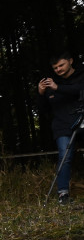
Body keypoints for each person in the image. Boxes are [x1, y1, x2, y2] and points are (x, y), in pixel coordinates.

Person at [37, 51, 84, 205]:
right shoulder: (50, 82)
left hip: (81, 120)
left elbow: (77, 90)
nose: (58, 69)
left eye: (61, 65)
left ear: (70, 61)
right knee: (65, 157)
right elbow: (43, 110)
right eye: (55, 67)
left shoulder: (81, 75)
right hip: (62, 125)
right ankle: (63, 194)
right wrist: (41, 93)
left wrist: (58, 88)